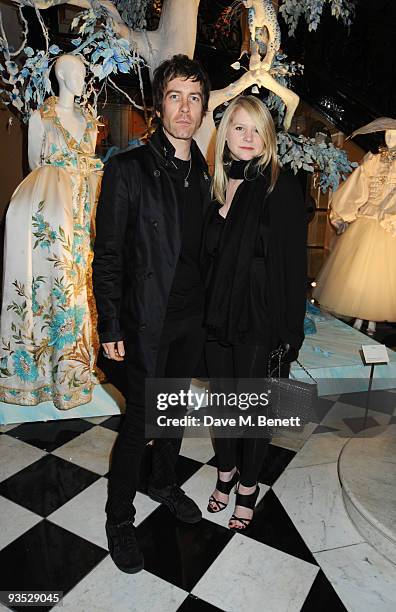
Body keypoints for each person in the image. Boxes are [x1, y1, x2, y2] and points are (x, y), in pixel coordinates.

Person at [92, 54, 211, 573]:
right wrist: (111, 324)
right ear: (158, 106)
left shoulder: (206, 171)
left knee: (176, 410)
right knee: (140, 420)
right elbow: (110, 254)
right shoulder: (128, 168)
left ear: (204, 108)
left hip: (190, 318)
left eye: (194, 97)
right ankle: (119, 519)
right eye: (174, 96)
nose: (184, 108)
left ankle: (163, 482)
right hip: (145, 320)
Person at [201, 95, 307, 530]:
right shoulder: (217, 183)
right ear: (226, 134)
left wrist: (290, 330)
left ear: (268, 136)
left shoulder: (280, 186)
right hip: (217, 310)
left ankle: (248, 486)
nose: (247, 138)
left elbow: (294, 265)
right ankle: (225, 472)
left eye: (255, 129)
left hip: (259, 313)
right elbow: (203, 253)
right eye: (238, 128)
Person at [0, 55, 103, 410]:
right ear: (60, 75)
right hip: (49, 217)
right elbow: (34, 166)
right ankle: (36, 376)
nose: (81, 78)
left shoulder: (89, 122)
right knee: (46, 287)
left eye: (83, 73)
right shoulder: (41, 118)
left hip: (81, 213)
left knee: (76, 287)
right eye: (75, 72)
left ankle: (74, 373)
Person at [313, 118, 396, 335]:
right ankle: (360, 319)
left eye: (393, 134)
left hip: (386, 222)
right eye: (387, 134)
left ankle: (371, 320)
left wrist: (388, 212)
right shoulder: (373, 159)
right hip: (366, 219)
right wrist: (346, 211)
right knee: (357, 272)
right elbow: (357, 187)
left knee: (379, 276)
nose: (389, 138)